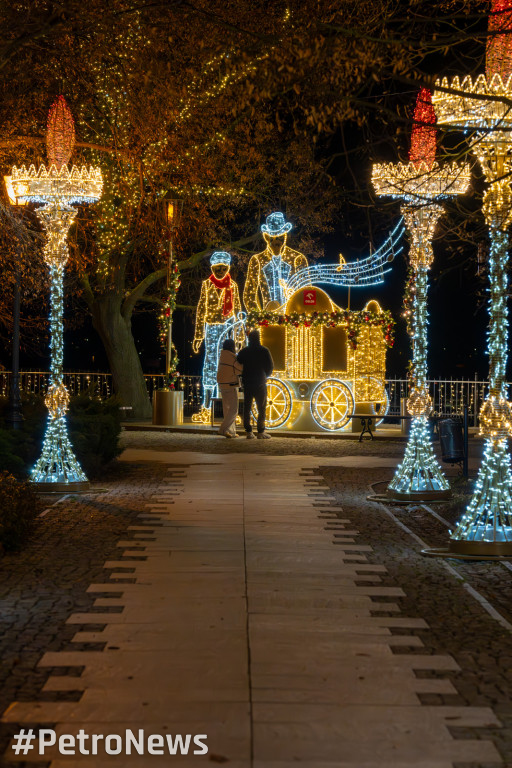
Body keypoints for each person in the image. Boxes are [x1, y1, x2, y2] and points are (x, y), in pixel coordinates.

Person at [192, 251, 244, 410]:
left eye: (223, 268)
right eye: (217, 268)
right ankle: (206, 406)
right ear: (212, 268)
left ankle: (229, 407)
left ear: (228, 268)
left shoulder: (232, 286)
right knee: (209, 363)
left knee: (228, 364)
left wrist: (240, 335)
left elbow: (237, 309)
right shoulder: (206, 285)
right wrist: (198, 335)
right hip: (211, 328)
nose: (220, 271)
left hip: (227, 329)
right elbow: (201, 309)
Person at [243, 211, 309, 311]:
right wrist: (258, 317)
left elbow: (306, 291)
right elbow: (249, 294)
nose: (276, 242)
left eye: (280, 237)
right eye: (272, 238)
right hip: (268, 319)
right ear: (266, 237)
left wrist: (301, 315)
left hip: (293, 317)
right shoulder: (258, 260)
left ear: (285, 236)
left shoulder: (297, 259)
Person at [237, 329, 274, 439]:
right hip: (260, 382)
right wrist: (264, 375)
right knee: (261, 407)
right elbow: (270, 366)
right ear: (259, 338)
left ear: (249, 339)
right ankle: (260, 431)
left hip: (248, 382)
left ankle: (248, 431)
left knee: (247, 407)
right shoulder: (264, 350)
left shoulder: (244, 351)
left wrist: (243, 375)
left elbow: (238, 362)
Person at [216, 338, 243, 438]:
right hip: (230, 385)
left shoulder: (222, 356)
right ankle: (223, 429)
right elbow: (239, 369)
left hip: (222, 385)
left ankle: (231, 432)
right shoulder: (232, 357)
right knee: (234, 410)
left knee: (226, 409)